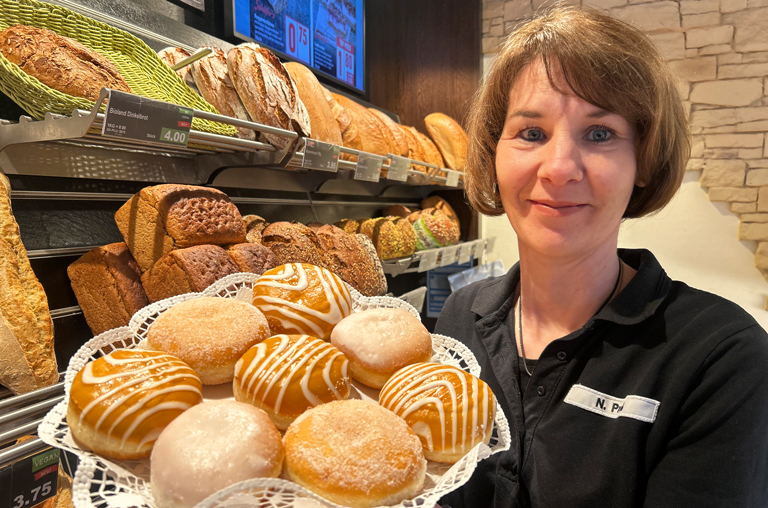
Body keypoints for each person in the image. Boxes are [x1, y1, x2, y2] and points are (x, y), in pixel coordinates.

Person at [436, 6, 768, 508]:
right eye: (531, 133)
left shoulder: (722, 360)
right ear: (493, 152)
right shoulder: (460, 317)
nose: (559, 168)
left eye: (599, 134)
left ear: (644, 160)